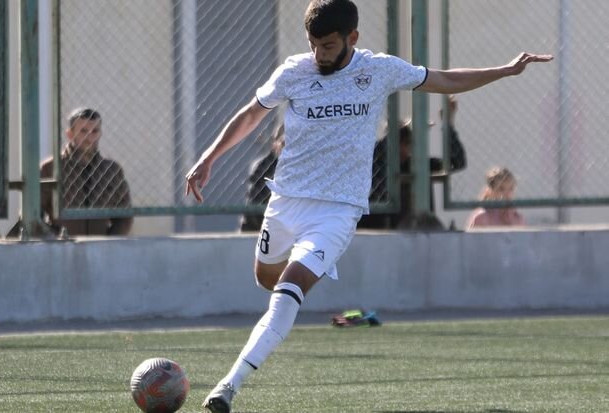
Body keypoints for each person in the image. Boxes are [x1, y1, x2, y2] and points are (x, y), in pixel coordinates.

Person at [184, 1, 552, 411]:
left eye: (328, 45)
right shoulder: (294, 71)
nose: (319, 54)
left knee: (288, 291)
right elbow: (252, 114)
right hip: (286, 202)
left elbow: (444, 78)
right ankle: (294, 285)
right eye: (313, 44)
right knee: (266, 278)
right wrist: (209, 158)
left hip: (337, 211)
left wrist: (504, 70)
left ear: (352, 38)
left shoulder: (378, 70)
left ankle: (227, 387)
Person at [9, 108, 133, 237]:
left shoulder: (111, 170)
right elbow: (31, 214)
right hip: (62, 245)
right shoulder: (51, 168)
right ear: (70, 134)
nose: (90, 138)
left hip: (99, 245)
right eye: (83, 131)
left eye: (95, 131)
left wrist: (109, 242)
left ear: (100, 133)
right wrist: (56, 240)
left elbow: (124, 216)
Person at [358, 95, 466, 230]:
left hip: (415, 226)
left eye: (410, 144)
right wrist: (402, 129)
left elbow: (456, 162)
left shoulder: (415, 164)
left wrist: (447, 124)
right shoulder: (375, 161)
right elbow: (380, 149)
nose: (408, 149)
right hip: (375, 226)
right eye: (405, 142)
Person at [239, 124, 285, 232]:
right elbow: (256, 197)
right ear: (275, 144)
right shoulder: (265, 165)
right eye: (283, 144)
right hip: (261, 222)